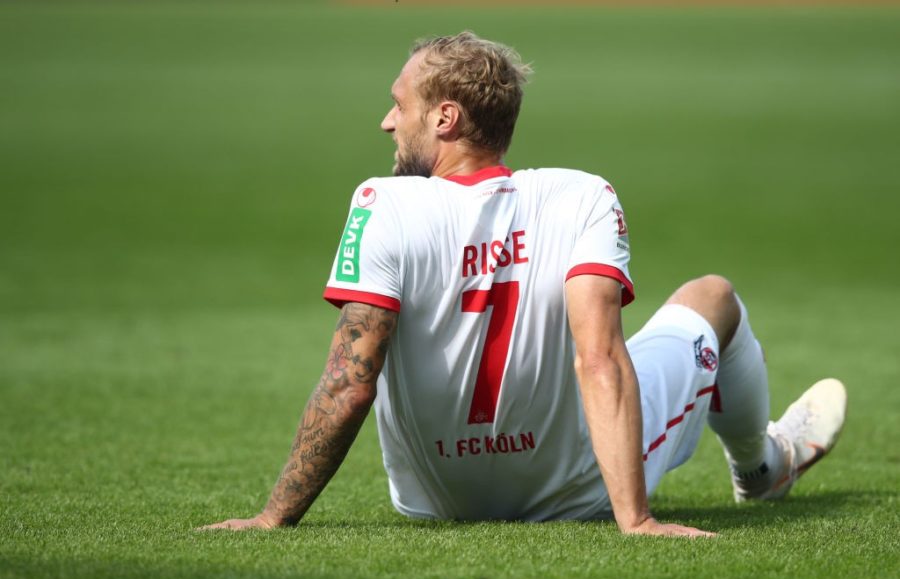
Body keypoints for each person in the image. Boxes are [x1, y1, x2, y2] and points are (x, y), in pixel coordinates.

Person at [202, 32, 846, 537]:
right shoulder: (581, 194)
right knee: (712, 297)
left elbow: (350, 381)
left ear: (446, 118)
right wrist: (636, 520)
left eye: (400, 106)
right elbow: (599, 357)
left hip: (432, 502)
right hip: (575, 496)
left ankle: (764, 463)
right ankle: (763, 465)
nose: (387, 122)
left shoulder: (380, 203)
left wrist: (272, 518)